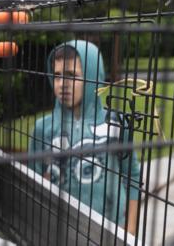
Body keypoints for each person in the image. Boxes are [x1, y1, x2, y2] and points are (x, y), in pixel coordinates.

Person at [28, 40, 141, 234]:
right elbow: (32, 184)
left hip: (111, 231)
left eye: (72, 76)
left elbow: (133, 177)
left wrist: (129, 231)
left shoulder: (116, 124)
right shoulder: (42, 128)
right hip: (60, 232)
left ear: (93, 77)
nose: (63, 84)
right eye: (56, 76)